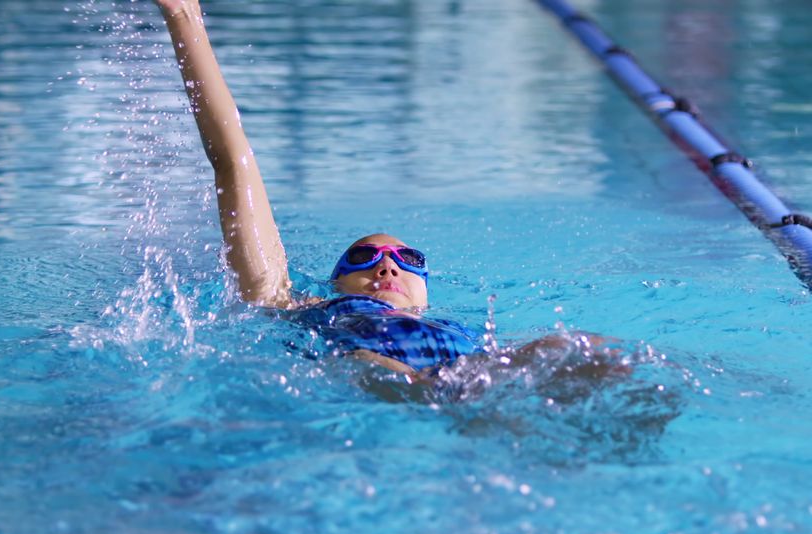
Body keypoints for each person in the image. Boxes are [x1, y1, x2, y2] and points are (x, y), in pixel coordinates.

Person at [151, 0, 620, 393]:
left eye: (407, 258)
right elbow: (234, 162)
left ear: (426, 291)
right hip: (384, 376)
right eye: (363, 257)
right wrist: (184, 15)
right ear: (335, 284)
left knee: (581, 347)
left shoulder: (465, 333)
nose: (388, 265)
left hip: (473, 377)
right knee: (366, 363)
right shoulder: (295, 306)